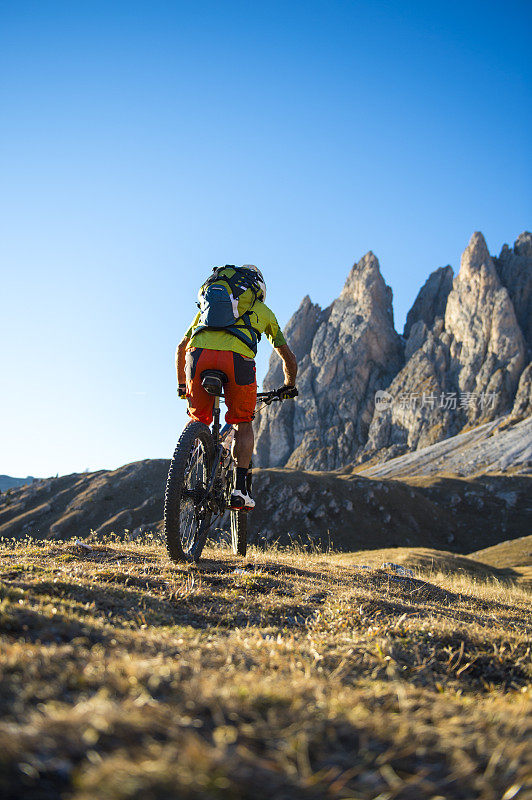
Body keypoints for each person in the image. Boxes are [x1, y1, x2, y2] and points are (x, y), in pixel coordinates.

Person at [176, 265, 297, 510]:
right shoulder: (263, 311)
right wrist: (289, 384)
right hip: (237, 363)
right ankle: (240, 490)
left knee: (197, 417)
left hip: (197, 357)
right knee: (243, 422)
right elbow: (287, 357)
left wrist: (182, 385)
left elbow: (180, 348)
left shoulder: (206, 310)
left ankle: (181, 472)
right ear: (258, 289)